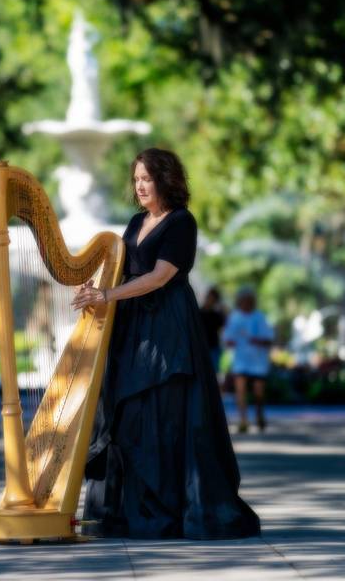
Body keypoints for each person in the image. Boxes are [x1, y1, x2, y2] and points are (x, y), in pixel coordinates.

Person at [72, 147, 260, 540]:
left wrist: (108, 297)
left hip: (167, 327)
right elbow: (124, 270)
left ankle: (167, 511)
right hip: (132, 326)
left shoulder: (181, 223)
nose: (140, 186)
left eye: (147, 179)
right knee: (130, 416)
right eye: (136, 179)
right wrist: (97, 290)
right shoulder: (136, 221)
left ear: (165, 180)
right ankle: (133, 510)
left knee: (163, 414)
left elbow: (159, 277)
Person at [223, 288, 274, 433]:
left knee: (259, 392)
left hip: (258, 361)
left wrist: (257, 341)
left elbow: (269, 339)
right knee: (240, 390)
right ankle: (243, 420)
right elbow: (228, 339)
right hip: (241, 360)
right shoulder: (235, 317)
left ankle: (259, 415)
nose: (246, 304)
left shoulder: (260, 317)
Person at [199, 287, 227, 373]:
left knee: (213, 372)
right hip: (200, 347)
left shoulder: (217, 315)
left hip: (213, 347)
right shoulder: (198, 312)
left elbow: (224, 325)